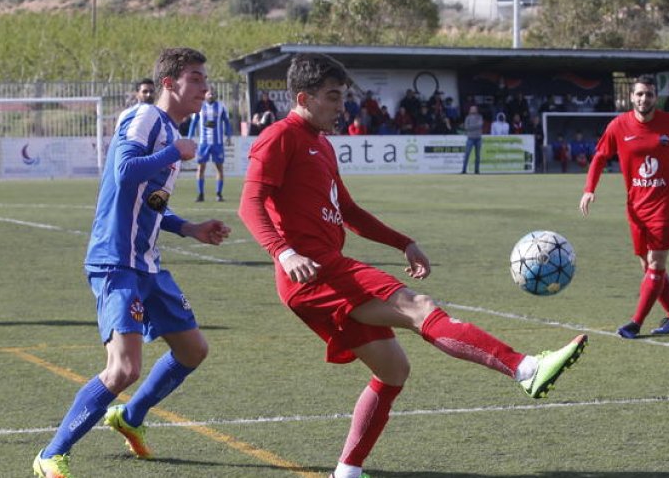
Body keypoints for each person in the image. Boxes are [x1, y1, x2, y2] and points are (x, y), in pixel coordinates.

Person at [238, 53, 587, 478]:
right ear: (303, 98)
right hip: (315, 272)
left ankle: (347, 471)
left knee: (393, 369)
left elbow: (347, 209)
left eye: (342, 97)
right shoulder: (280, 136)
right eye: (332, 97)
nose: (339, 106)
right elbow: (249, 203)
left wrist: (402, 242)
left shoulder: (322, 145)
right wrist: (284, 252)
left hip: (324, 269)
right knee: (419, 306)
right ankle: (525, 368)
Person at [33, 48, 232, 478]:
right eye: (195, 78)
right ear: (169, 83)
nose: (204, 88)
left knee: (193, 349)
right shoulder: (145, 118)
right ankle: (51, 453)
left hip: (147, 263)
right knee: (124, 368)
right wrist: (174, 152)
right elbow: (125, 171)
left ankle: (131, 416)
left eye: (204, 79)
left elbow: (150, 204)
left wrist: (189, 228)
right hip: (115, 261)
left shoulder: (167, 131)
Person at [580, 75, 669, 339]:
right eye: (640, 94)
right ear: (632, 97)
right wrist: (589, 189)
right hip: (636, 207)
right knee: (648, 267)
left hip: (667, 205)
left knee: (656, 264)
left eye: (650, 94)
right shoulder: (618, 126)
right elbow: (600, 157)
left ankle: (635, 323)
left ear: (657, 97)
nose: (645, 99)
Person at [187, 87, 231, 202]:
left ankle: (219, 194)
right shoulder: (200, 106)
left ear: (215, 95)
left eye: (213, 94)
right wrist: (189, 137)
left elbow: (226, 121)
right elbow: (194, 122)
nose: (211, 96)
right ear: (205, 95)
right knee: (201, 168)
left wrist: (229, 136)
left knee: (219, 168)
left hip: (218, 143)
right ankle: (200, 194)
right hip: (204, 143)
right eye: (209, 94)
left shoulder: (221, 106)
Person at [460, 105, 484, 174]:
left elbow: (480, 125)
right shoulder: (467, 117)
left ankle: (477, 170)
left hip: (478, 138)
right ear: (470, 110)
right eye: (471, 109)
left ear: (476, 110)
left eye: (474, 109)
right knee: (467, 154)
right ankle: (464, 170)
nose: (473, 110)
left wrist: (471, 127)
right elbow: (466, 127)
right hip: (470, 138)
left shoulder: (480, 117)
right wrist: (475, 126)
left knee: (478, 155)